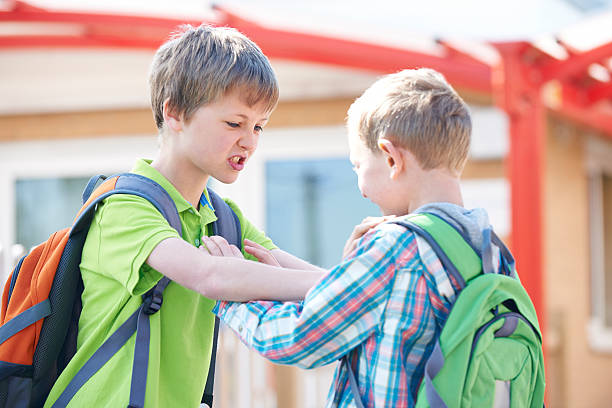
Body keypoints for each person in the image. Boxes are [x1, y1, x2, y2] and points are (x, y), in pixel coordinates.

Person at [43, 24, 328, 408]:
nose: (250, 140)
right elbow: (209, 275)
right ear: (174, 112)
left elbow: (300, 275)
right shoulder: (123, 206)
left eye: (259, 126)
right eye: (235, 123)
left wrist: (365, 281)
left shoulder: (222, 218)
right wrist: (352, 286)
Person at [209, 68, 501, 407]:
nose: (361, 190)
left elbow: (297, 338)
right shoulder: (488, 248)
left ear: (391, 158)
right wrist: (344, 275)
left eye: (358, 166)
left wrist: (228, 291)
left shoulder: (396, 250)